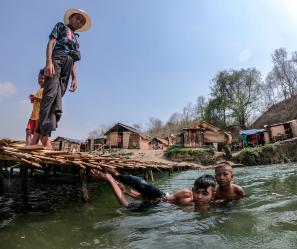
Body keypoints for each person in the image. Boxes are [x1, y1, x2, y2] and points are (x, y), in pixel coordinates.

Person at [33, 8, 91, 148]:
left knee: (57, 100)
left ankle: (36, 137)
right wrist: (49, 62)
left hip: (68, 65)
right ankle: (45, 136)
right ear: (70, 18)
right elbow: (51, 43)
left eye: (82, 21)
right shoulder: (60, 26)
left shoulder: (77, 38)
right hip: (57, 59)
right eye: (77, 18)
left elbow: (74, 60)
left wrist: (75, 78)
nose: (79, 22)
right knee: (50, 95)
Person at [91, 169, 216, 211]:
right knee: (141, 183)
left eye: (204, 194)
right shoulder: (186, 195)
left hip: (161, 206)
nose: (199, 196)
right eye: (197, 192)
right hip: (162, 199)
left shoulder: (213, 207)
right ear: (193, 190)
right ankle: (114, 176)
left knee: (127, 206)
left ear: (212, 195)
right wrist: (141, 196)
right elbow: (162, 199)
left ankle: (112, 180)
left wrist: (133, 194)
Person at [26, 69, 45, 145]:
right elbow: (36, 102)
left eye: (43, 78)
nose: (40, 80)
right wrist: (33, 100)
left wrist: (36, 98)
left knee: (37, 135)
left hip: (39, 116)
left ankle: (33, 148)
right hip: (33, 115)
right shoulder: (38, 90)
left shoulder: (46, 89)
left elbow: (45, 101)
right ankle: (28, 147)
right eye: (39, 78)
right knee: (28, 131)